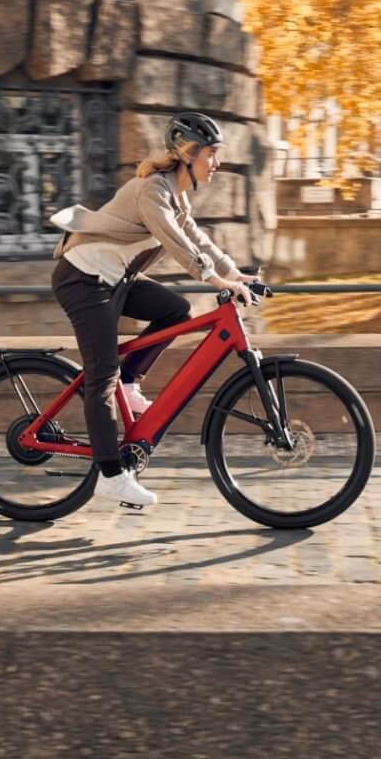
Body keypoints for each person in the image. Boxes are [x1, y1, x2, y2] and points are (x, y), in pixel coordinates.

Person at [49, 112, 257, 509]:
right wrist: (216, 281)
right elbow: (178, 243)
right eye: (212, 154)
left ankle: (129, 382)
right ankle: (110, 475)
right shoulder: (153, 191)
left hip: (114, 279)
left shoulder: (175, 194)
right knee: (101, 376)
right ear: (188, 153)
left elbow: (196, 237)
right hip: (84, 279)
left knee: (175, 310)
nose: (217, 163)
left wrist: (236, 274)